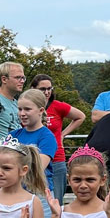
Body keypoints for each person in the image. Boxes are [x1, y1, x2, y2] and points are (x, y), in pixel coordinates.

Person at [9, 88, 58, 218]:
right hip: (15, 194)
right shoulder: (14, 135)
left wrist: (12, 169)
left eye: (27, 109)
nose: (22, 113)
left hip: (39, 194)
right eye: (20, 109)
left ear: (41, 110)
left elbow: (38, 166)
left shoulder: (47, 137)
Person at [30, 74, 86, 204]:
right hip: (34, 160)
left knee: (56, 201)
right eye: (42, 89)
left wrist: (63, 134)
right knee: (35, 200)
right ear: (33, 89)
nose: (47, 92)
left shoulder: (57, 106)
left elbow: (80, 116)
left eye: (49, 88)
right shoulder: (28, 108)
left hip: (56, 159)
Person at [0, 62, 25, 140]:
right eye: (18, 77)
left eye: (23, 78)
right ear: (4, 79)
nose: (22, 81)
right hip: (0, 146)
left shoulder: (17, 103)